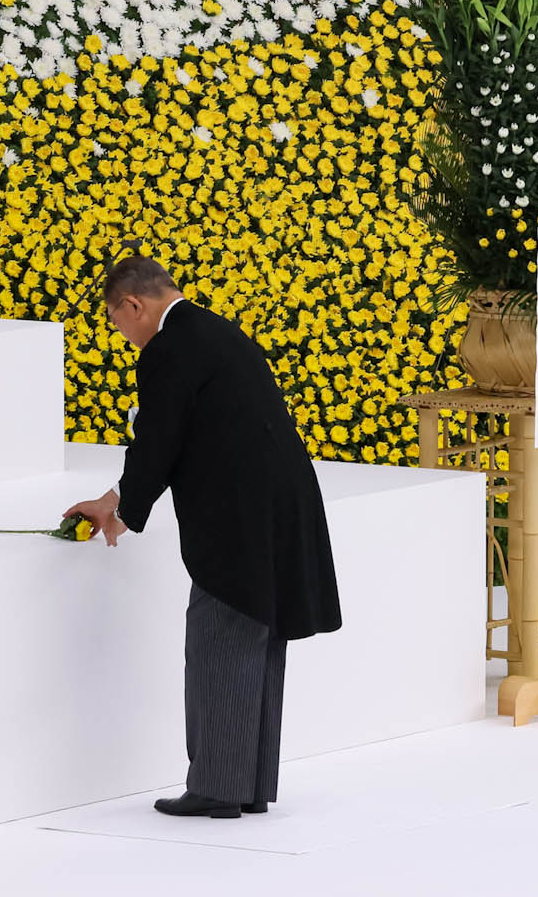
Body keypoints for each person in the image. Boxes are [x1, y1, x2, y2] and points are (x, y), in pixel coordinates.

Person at [63, 249, 342, 819]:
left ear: (134, 305)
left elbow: (159, 442)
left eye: (119, 323)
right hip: (281, 503)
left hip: (237, 515)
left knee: (218, 636)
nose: (126, 337)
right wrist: (119, 502)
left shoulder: (168, 351)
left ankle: (217, 786)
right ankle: (248, 784)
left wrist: (119, 511)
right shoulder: (217, 331)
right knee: (258, 637)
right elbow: (184, 436)